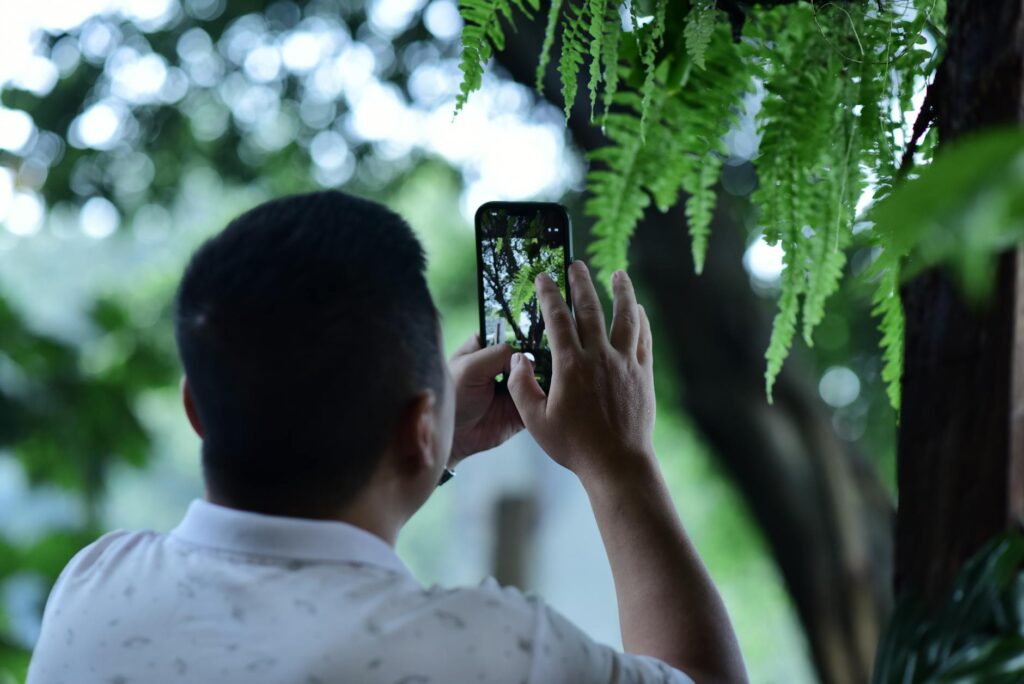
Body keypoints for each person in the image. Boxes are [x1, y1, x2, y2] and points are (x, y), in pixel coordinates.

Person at [27, 191, 747, 684]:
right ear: (417, 423)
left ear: (196, 410)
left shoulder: (91, 588)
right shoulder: (488, 651)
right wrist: (621, 462)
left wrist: (430, 448)